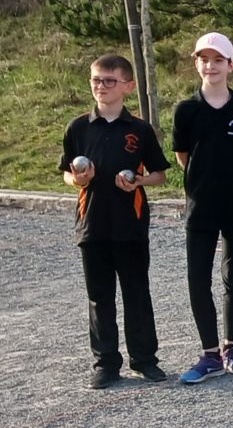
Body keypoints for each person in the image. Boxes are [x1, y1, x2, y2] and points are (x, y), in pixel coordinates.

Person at [63, 53, 170, 389]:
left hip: (130, 224)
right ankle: (106, 363)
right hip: (92, 225)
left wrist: (137, 181)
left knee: (137, 293)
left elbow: (159, 176)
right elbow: (68, 174)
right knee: (99, 296)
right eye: (96, 80)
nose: (101, 86)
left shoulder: (139, 129)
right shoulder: (79, 127)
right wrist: (79, 180)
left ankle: (145, 360)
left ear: (128, 85)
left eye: (109, 81)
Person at [173, 33, 233, 384]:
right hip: (201, 205)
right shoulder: (186, 109)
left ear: (231, 65)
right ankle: (209, 353)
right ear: (196, 63)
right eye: (204, 59)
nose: (211, 66)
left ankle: (231, 348)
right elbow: (183, 157)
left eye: (218, 60)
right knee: (198, 278)